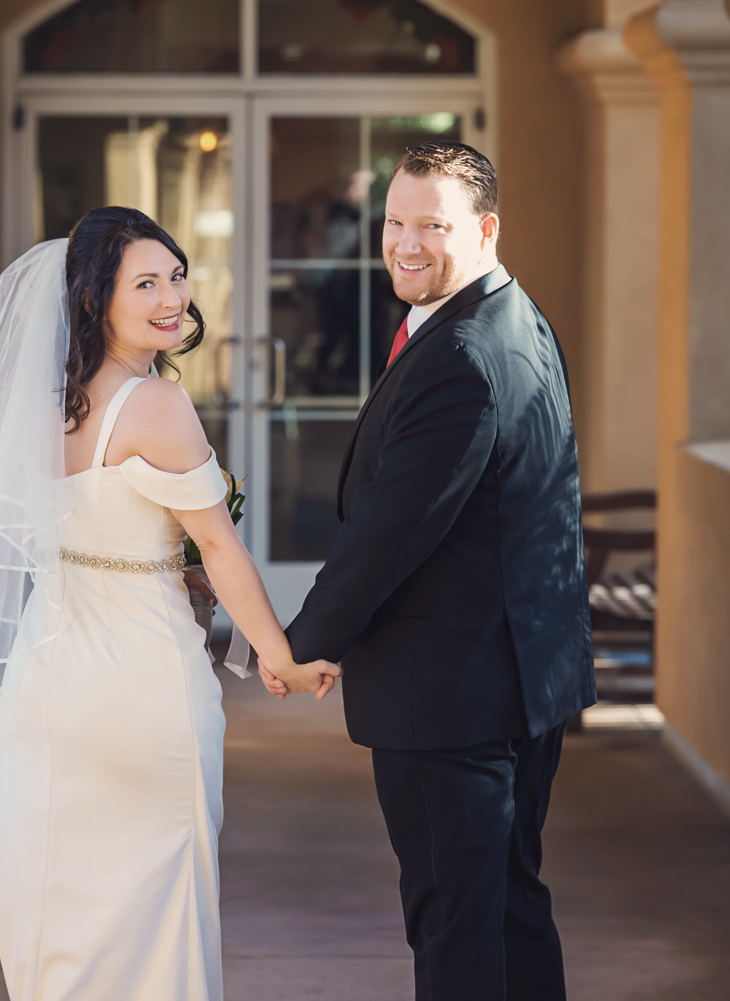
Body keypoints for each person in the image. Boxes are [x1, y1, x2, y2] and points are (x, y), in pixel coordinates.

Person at [0, 207, 339, 1001]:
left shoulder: (41, 405)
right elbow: (217, 545)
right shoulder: (158, 406)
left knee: (62, 902)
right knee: (158, 903)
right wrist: (278, 655)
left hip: (50, 680)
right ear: (92, 300)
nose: (172, 296)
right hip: (142, 683)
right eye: (144, 283)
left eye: (176, 275)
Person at [260, 141, 596, 1001]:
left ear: (483, 229)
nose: (407, 244)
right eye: (395, 222)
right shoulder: (514, 314)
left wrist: (303, 645)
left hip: (454, 692)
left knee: (454, 920)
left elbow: (389, 528)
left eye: (432, 226)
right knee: (506, 904)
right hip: (515, 675)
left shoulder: (463, 357)